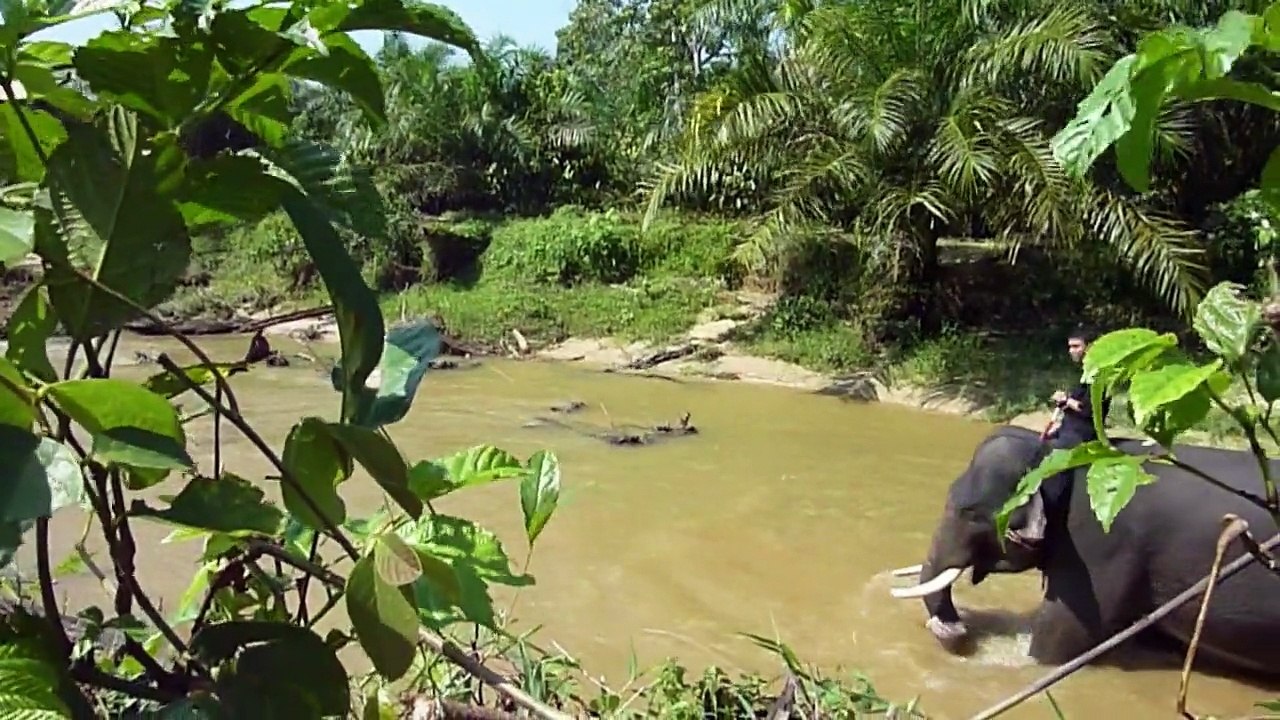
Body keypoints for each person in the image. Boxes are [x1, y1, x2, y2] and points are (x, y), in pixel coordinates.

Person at [1007, 327, 1111, 548]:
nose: (1071, 351)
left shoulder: (1101, 375)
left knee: (1053, 465)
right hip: (1069, 429)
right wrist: (1059, 422)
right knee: (1035, 452)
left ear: (1090, 347)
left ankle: (1043, 523)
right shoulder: (1086, 373)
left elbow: (1089, 411)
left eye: (1076, 346)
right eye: (1070, 347)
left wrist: (1066, 401)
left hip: (1083, 434)